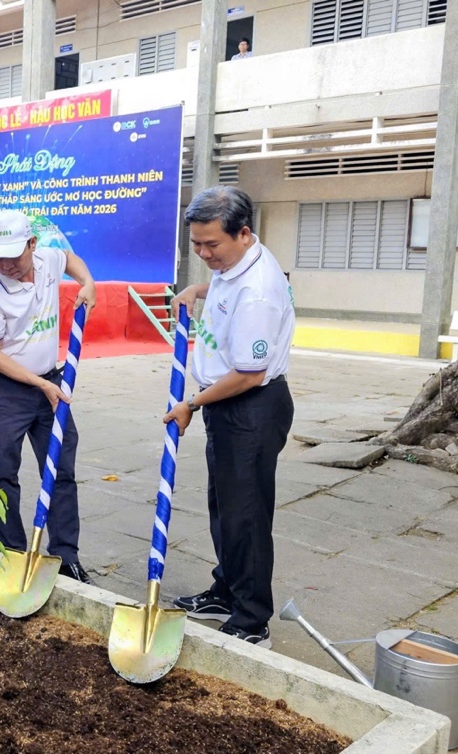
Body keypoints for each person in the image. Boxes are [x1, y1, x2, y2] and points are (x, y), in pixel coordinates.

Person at [164, 185, 295, 649]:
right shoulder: (236, 264)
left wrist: (192, 405)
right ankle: (227, 588)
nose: (203, 254)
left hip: (249, 408)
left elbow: (249, 374)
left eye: (211, 245)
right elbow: (222, 284)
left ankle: (252, 619)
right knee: (224, 508)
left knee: (246, 516)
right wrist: (198, 289)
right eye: (196, 244)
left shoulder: (258, 292)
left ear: (243, 233)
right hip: (227, 404)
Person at [0, 210, 96, 584]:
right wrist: (40, 385)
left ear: (32, 244)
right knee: (3, 474)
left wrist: (87, 282)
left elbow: (70, 261)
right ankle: (13, 556)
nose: (6, 264)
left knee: (60, 470)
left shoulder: (47, 260)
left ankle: (66, 556)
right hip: (7, 391)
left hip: (50, 384)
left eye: (13, 254)